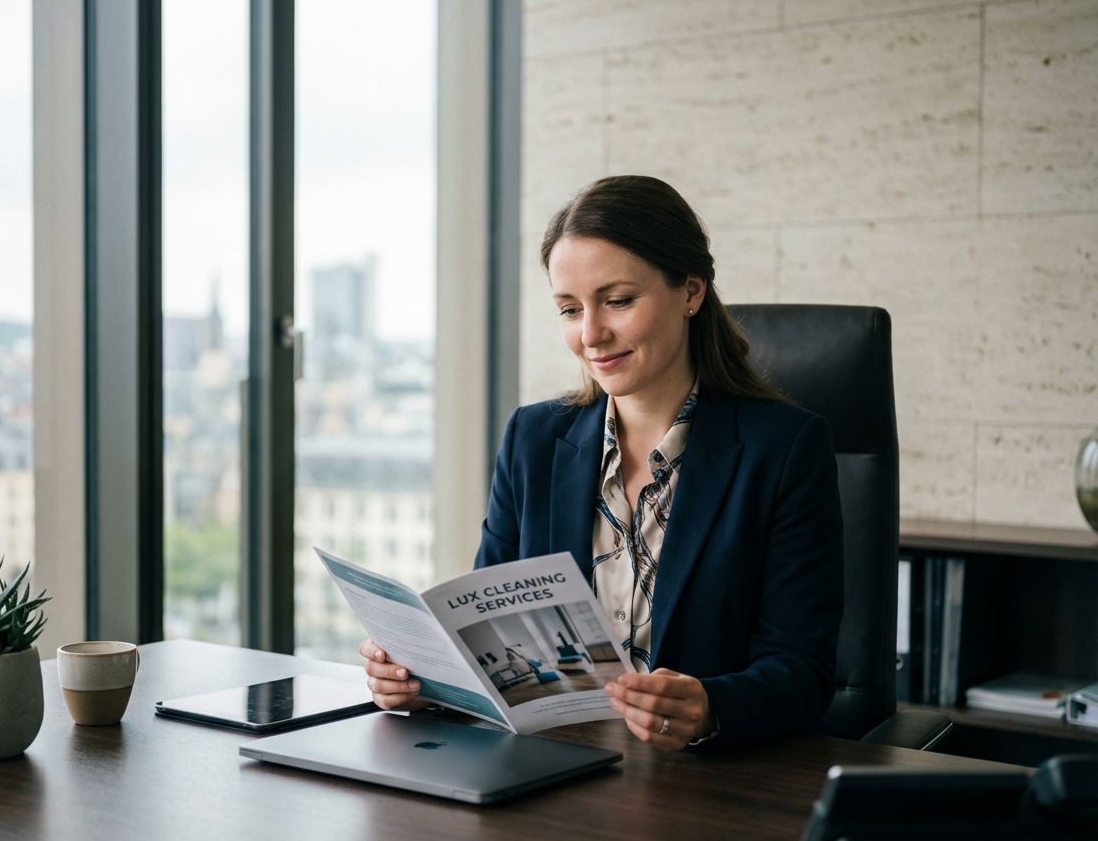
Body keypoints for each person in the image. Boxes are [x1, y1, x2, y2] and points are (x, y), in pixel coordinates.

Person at [361, 175, 843, 751]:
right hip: (552, 763)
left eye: (617, 301)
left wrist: (712, 707)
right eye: (569, 309)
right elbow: (487, 636)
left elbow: (803, 671)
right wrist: (428, 679)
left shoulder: (785, 449)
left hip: (701, 783)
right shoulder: (533, 439)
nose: (591, 334)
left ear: (691, 292)